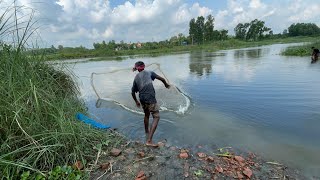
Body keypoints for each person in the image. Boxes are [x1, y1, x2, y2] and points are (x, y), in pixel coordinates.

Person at [131, 61, 170, 147]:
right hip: (150, 98)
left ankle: (146, 132)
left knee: (146, 115)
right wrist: (166, 85)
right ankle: (149, 140)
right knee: (156, 116)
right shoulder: (150, 72)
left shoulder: (136, 77)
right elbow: (163, 79)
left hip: (142, 99)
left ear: (137, 68)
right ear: (144, 66)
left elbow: (133, 92)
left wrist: (136, 101)